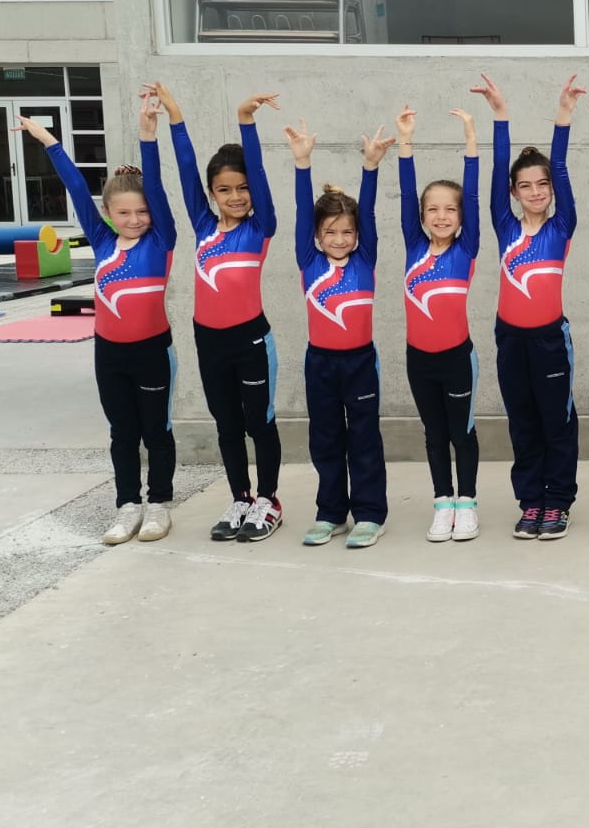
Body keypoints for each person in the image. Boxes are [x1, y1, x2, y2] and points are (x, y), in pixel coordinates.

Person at [14, 91, 178, 546]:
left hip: (152, 351)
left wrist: (148, 135)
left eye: (142, 211)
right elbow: (74, 188)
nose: (135, 219)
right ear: (108, 214)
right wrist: (49, 141)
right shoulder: (103, 242)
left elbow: (157, 189)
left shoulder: (161, 241)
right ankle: (128, 505)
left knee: (156, 431)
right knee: (122, 432)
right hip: (109, 353)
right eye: (124, 212)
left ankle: (159, 504)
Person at [154, 83, 285, 543]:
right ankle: (241, 498)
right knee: (227, 425)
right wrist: (175, 117)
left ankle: (268, 500)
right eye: (224, 189)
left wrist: (246, 122)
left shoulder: (261, 227)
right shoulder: (203, 225)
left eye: (243, 188)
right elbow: (185, 169)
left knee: (259, 422)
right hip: (208, 341)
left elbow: (260, 174)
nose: (236, 196)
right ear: (211, 193)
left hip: (251, 341)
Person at [475, 73, 585, 542]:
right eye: (525, 185)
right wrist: (500, 115)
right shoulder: (505, 225)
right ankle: (532, 501)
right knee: (522, 420)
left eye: (542, 184)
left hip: (549, 339)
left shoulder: (562, 226)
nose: (536, 191)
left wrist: (564, 115)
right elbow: (499, 166)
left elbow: (560, 164)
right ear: (514, 192)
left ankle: (557, 500)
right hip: (510, 338)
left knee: (556, 421)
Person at [285, 117, 393, 549]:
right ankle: (331, 512)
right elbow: (301, 211)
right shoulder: (308, 261)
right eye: (330, 232)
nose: (340, 238)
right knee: (326, 439)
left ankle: (369, 513)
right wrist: (302, 164)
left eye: (348, 232)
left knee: (364, 439)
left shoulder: (365, 259)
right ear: (316, 235)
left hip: (360, 361)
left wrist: (371, 167)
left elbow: (368, 211)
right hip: (321, 363)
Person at [396, 103, 481, 544]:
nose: (442, 216)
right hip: (419, 360)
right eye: (433, 209)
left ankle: (467, 504)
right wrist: (405, 143)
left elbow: (473, 195)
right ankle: (442, 502)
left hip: (457, 358)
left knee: (461, 433)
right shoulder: (414, 245)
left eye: (450, 210)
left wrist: (470, 139)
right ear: (422, 215)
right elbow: (406, 191)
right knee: (434, 434)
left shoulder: (466, 249)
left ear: (461, 217)